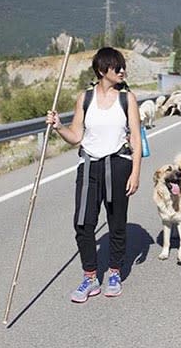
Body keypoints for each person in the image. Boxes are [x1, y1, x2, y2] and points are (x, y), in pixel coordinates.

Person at [46, 47, 141, 303]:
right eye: (117, 67)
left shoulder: (127, 99)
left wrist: (135, 171)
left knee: (117, 223)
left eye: (123, 67)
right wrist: (58, 127)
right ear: (102, 71)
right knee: (83, 224)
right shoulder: (85, 98)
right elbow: (76, 137)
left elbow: (136, 137)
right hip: (89, 167)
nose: (122, 71)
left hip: (119, 165)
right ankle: (89, 277)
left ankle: (114, 272)